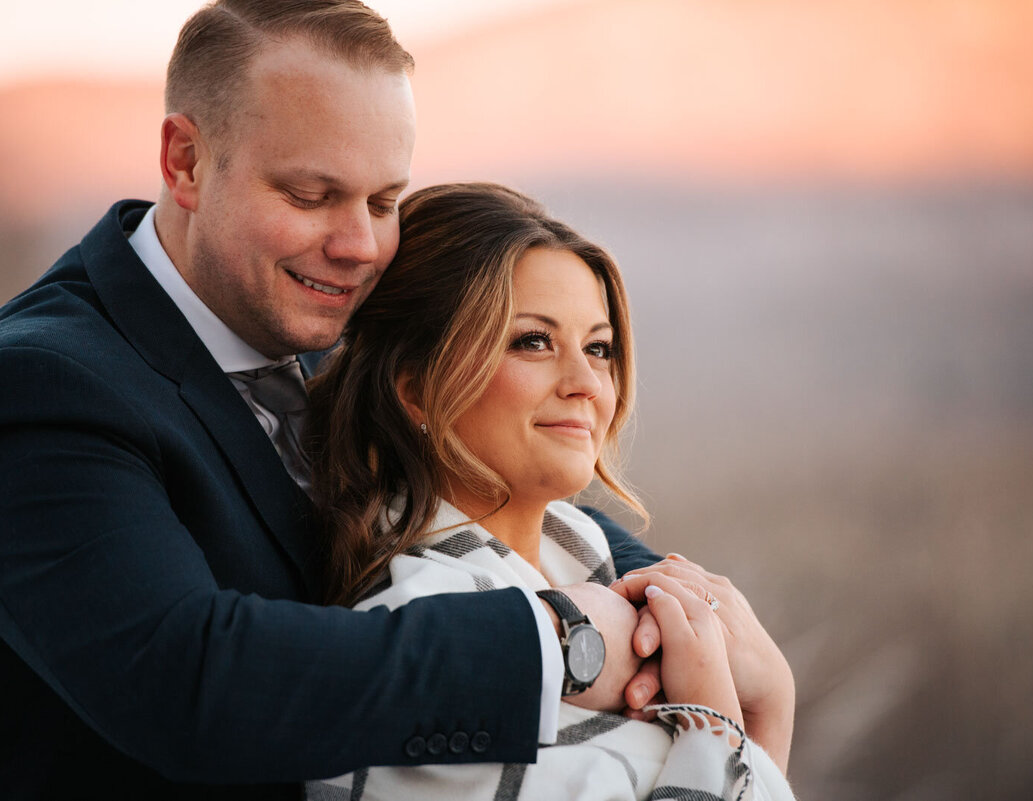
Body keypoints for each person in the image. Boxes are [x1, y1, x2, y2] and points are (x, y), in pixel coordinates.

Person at [0, 2, 664, 799]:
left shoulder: (323, 327)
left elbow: (493, 471)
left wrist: (678, 599)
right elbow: (195, 684)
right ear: (185, 160)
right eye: (310, 194)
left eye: (384, 201)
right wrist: (556, 642)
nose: (359, 245)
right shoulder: (30, 395)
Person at [303, 182, 796, 800]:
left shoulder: (608, 572)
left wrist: (771, 697)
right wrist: (719, 721)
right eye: (533, 341)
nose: (586, 381)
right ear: (416, 388)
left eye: (599, 347)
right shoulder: (421, 642)